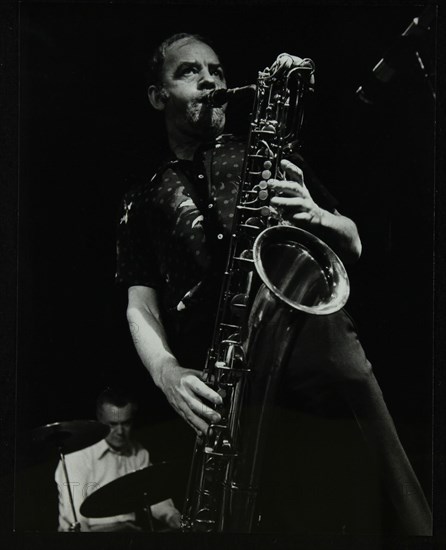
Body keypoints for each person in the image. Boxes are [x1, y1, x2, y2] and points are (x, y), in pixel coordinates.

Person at [116, 33, 432, 534]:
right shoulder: (143, 197)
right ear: (158, 96)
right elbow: (141, 303)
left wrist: (315, 214)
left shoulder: (266, 154)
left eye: (216, 70)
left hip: (309, 341)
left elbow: (354, 242)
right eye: (189, 71)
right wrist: (166, 372)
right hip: (230, 376)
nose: (210, 80)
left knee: (383, 497)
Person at [54, 388, 181, 532]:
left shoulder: (138, 453)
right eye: (112, 424)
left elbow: (154, 498)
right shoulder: (77, 457)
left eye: (126, 423)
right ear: (99, 420)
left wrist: (173, 517)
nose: (120, 431)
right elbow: (77, 522)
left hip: (127, 535)